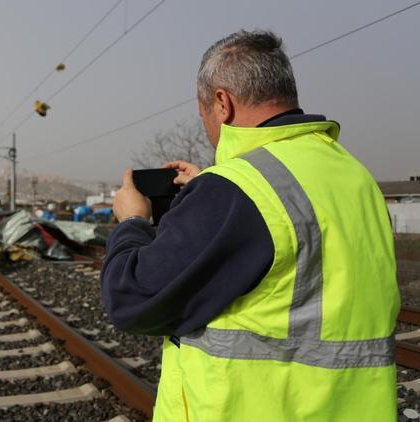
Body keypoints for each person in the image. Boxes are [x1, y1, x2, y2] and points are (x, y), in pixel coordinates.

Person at [100, 30, 399, 421]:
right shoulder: (352, 175)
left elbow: (131, 298)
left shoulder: (236, 191)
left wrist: (133, 220)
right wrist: (212, 188)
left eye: (203, 110)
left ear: (222, 103)